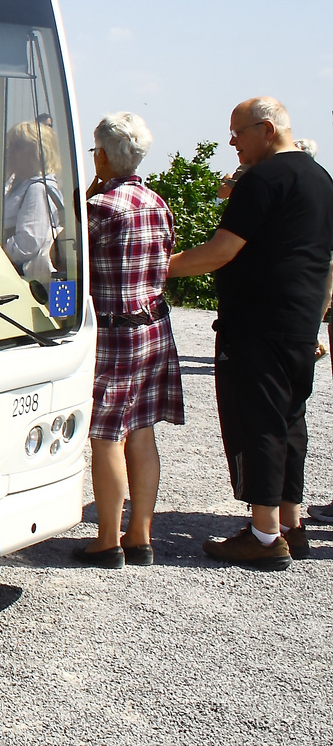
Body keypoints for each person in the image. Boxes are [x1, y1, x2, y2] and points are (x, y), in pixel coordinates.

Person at [167, 97, 333, 568]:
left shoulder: (263, 179)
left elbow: (221, 251)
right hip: (300, 322)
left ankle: (262, 537)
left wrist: (156, 268)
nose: (233, 141)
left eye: (238, 132)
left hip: (257, 324)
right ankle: (290, 524)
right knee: (289, 422)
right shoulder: (321, 179)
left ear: (266, 128)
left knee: (257, 422)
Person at [72, 113, 184, 568]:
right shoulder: (157, 202)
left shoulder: (99, 208)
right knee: (141, 432)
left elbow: (64, 253)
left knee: (106, 436)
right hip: (153, 325)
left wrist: (87, 193)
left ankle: (107, 539)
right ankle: (139, 535)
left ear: (102, 155)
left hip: (114, 329)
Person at [3, 119, 63, 280]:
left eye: (17, 146)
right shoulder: (18, 184)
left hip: (20, 279)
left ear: (36, 151)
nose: (9, 151)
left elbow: (27, 244)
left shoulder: (38, 188)